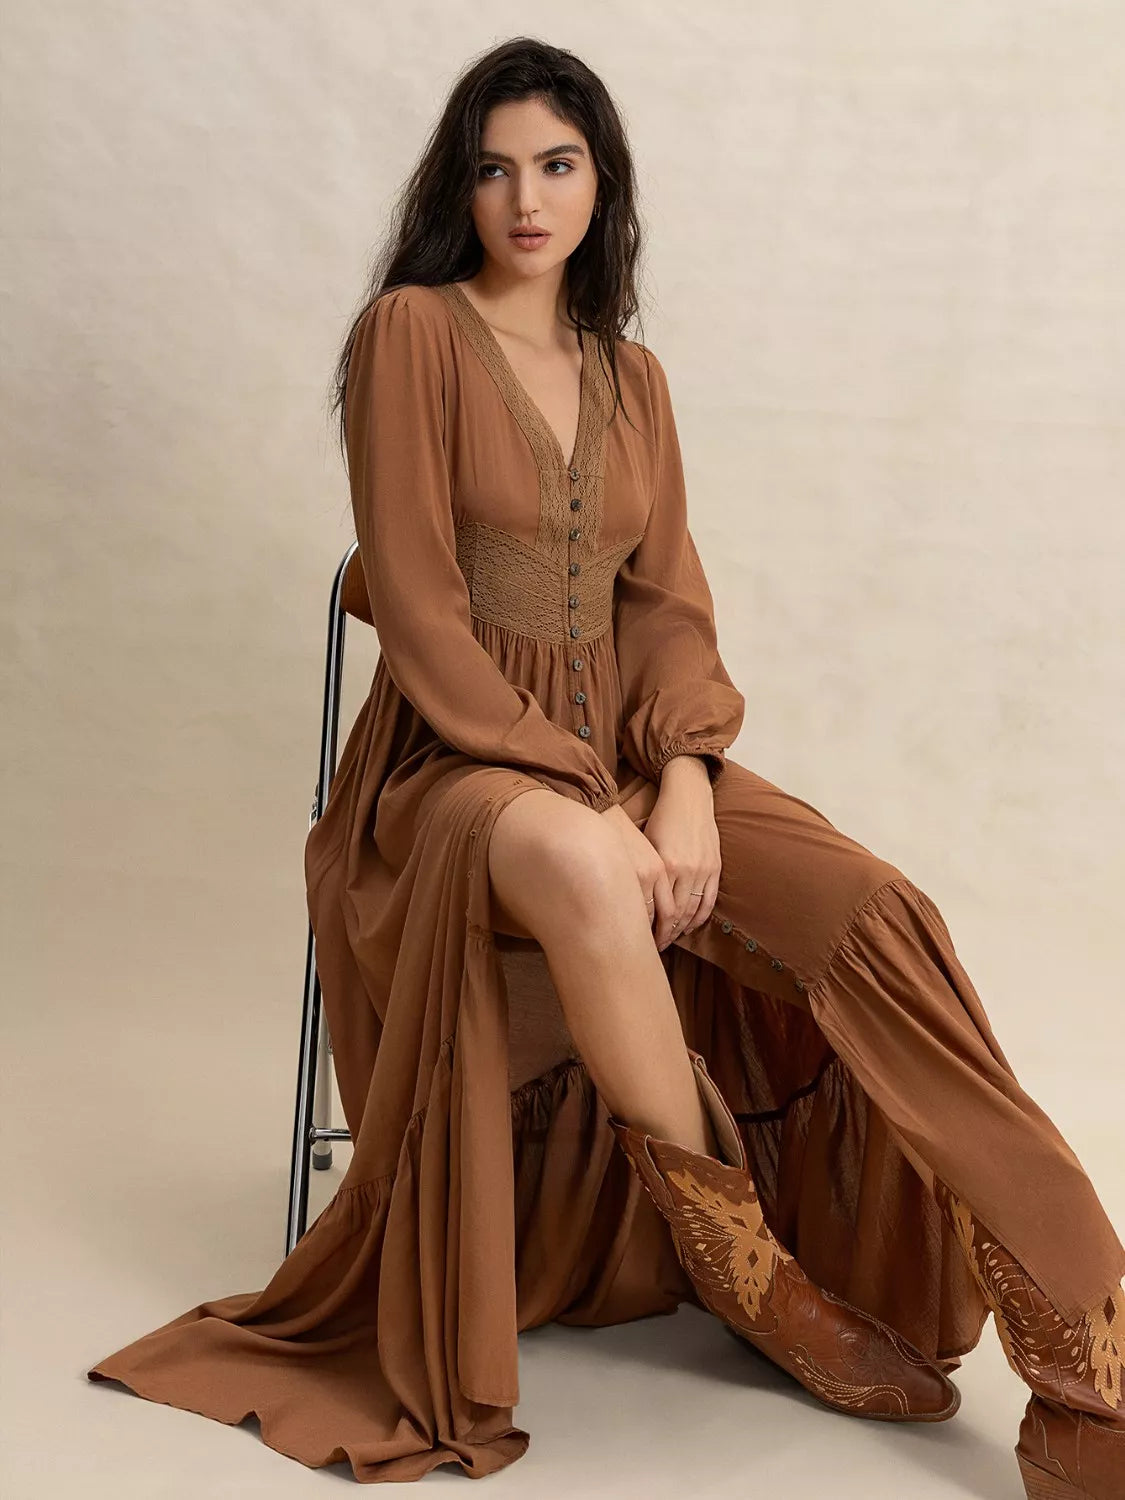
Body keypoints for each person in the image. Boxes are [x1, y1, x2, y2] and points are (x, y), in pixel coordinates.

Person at [87, 36, 1124, 1497]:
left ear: (600, 185)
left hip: (638, 754)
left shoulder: (632, 377)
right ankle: (762, 1284)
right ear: (461, 183)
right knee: (583, 861)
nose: (525, 196)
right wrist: (579, 791)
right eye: (495, 166)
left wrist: (686, 781)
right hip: (452, 769)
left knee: (871, 908)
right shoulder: (412, 334)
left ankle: (1089, 1355)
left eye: (557, 165)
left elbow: (668, 606)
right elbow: (423, 603)